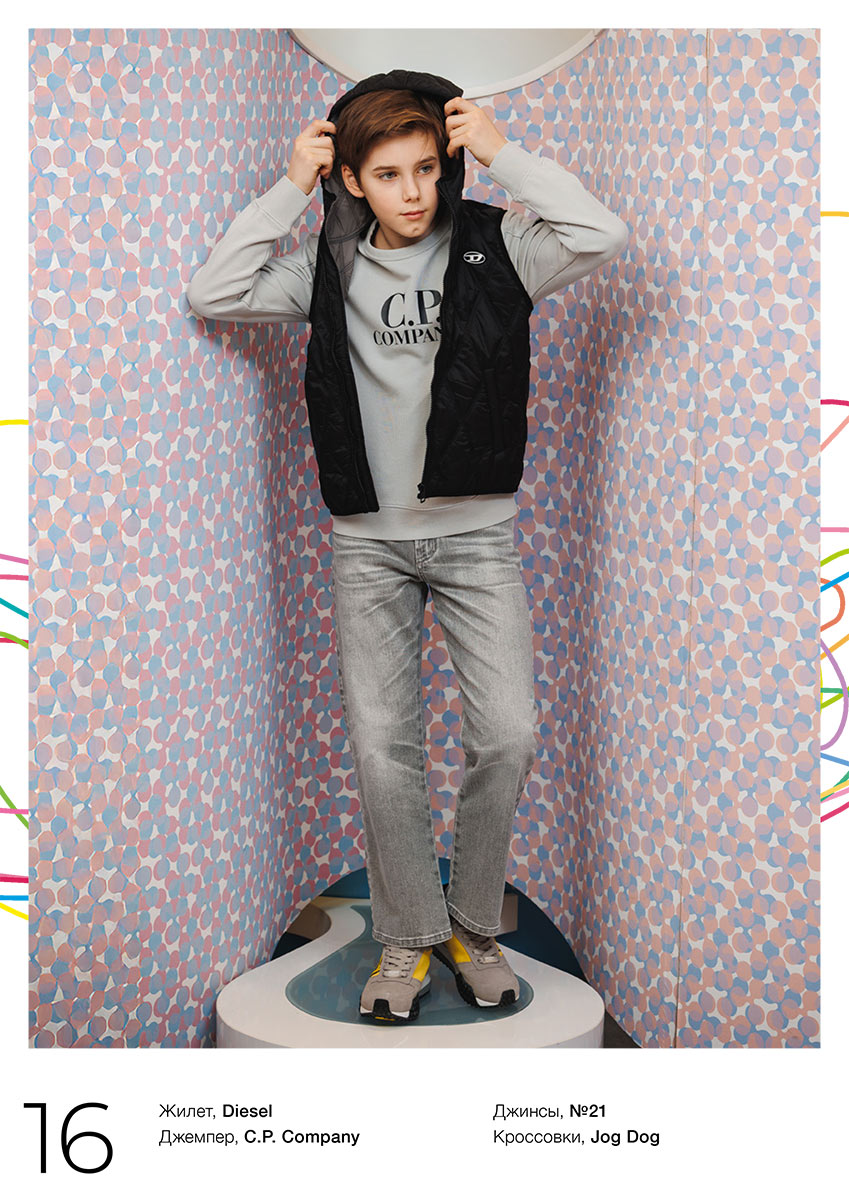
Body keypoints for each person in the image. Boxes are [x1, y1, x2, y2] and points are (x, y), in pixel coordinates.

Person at [187, 68, 628, 1024]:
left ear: (448, 164)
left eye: (427, 167)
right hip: (367, 546)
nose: (414, 191)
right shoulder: (326, 265)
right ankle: (408, 934)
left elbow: (601, 235)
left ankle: (470, 923)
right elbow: (214, 292)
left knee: (507, 733)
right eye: (388, 174)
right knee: (383, 749)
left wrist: (502, 152)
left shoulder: (500, 247)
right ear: (352, 180)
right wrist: (289, 187)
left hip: (476, 538)